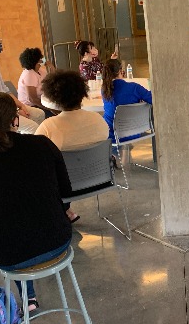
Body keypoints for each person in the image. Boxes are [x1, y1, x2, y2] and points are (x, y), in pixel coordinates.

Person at [0, 92, 72, 313]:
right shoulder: (42, 144)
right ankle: (28, 296)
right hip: (57, 242)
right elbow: (66, 193)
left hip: (7, 255)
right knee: (24, 220)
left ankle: (28, 298)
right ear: (15, 119)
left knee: (5, 230)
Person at [35, 70, 110, 223]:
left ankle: (61, 212)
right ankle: (66, 210)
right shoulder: (98, 120)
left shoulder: (48, 126)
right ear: (82, 93)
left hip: (66, 189)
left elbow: (34, 156)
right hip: (102, 180)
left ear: (53, 97)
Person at [102, 59, 152, 142]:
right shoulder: (134, 88)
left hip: (111, 135)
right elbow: (152, 99)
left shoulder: (105, 90)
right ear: (121, 71)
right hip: (134, 132)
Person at [17, 47, 57, 118]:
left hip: (42, 100)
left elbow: (53, 80)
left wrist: (51, 67)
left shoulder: (40, 70)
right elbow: (32, 99)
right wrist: (50, 109)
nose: (42, 59)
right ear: (36, 61)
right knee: (56, 115)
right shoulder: (29, 75)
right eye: (40, 58)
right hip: (31, 106)